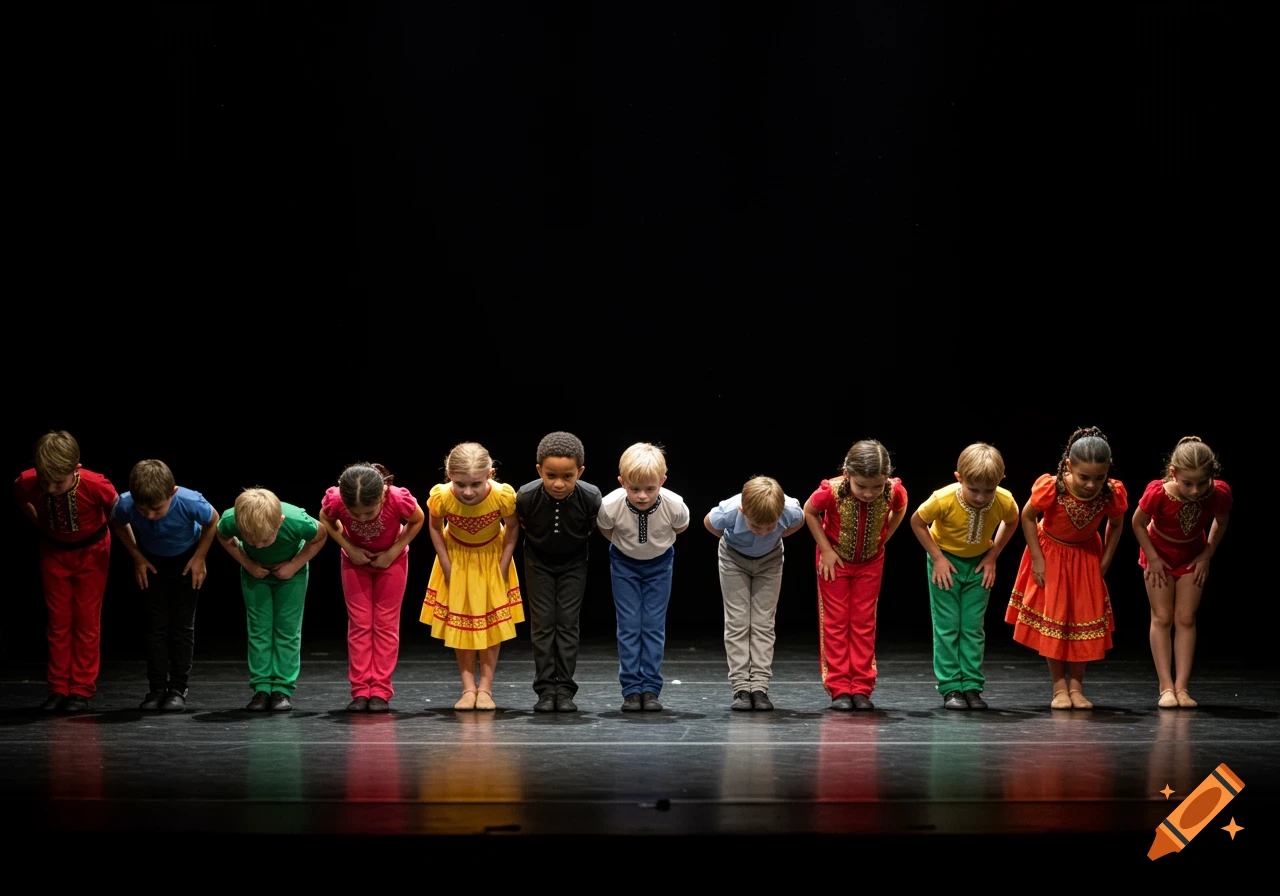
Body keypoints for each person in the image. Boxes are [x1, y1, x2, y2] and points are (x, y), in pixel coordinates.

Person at [1004, 426, 1128, 710]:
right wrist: (1037, 558)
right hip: (1053, 556)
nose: (1091, 485)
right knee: (1057, 619)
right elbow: (1027, 516)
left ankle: (1077, 686)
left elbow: (1117, 523)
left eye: (1099, 477)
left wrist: (1105, 560)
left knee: (1082, 618)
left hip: (1085, 558)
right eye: (1084, 477)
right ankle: (1059, 685)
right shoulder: (1053, 487)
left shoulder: (1111, 492)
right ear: (1069, 466)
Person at [908, 443, 1019, 711]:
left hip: (979, 564)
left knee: (972, 626)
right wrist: (937, 558)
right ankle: (950, 687)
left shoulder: (1004, 500)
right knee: (947, 626)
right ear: (959, 478)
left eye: (988, 490)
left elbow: (1012, 520)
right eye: (974, 489)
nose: (981, 497)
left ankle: (971, 685)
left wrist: (993, 556)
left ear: (1000, 480)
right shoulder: (943, 498)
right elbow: (917, 522)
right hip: (947, 563)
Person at [13, 430, 118, 712]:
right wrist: (40, 524)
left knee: (86, 620)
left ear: (76, 469)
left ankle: (81, 689)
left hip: (92, 554)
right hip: (54, 553)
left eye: (57, 482)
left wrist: (134, 552)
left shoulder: (96, 484)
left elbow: (118, 514)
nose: (49, 488)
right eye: (45, 481)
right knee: (58, 622)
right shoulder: (28, 481)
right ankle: (58, 687)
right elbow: (22, 499)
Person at [803, 439, 908, 711]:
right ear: (847, 474)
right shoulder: (832, 490)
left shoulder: (893, 490)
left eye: (876, 486)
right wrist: (826, 550)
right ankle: (839, 687)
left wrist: (884, 538)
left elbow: (900, 508)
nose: (869, 493)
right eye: (861, 486)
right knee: (836, 622)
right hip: (834, 562)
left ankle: (861, 686)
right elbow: (810, 512)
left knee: (863, 622)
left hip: (870, 563)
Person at [419, 442, 523, 711]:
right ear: (449, 475)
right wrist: (445, 563)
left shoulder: (502, 495)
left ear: (490, 474)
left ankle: (485, 688)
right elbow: (435, 526)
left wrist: (503, 563)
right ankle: (468, 688)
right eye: (460, 484)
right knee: (462, 624)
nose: (467, 492)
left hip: (490, 560)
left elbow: (512, 528)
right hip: (458, 560)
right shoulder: (441, 496)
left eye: (476, 484)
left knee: (490, 627)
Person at [1130, 436, 1232, 709]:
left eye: (1202, 482)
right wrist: (1152, 558)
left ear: (1211, 476)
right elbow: (1137, 523)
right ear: (1173, 473)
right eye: (1188, 483)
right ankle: (1166, 686)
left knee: (1186, 618)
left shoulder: (1218, 493)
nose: (1196, 491)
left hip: (1192, 555)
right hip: (1159, 554)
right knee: (1162, 617)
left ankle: (1182, 687)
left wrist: (1207, 554)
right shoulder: (1158, 492)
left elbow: (1221, 522)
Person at [111, 459, 219, 712]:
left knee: (182, 627)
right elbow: (118, 522)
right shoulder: (126, 503)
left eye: (157, 509)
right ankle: (157, 688)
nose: (150, 515)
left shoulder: (190, 501)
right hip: (152, 562)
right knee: (155, 627)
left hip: (186, 560)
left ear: (173, 492)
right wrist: (137, 557)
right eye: (143, 510)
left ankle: (178, 689)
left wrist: (200, 557)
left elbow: (212, 520)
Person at [319, 463, 425, 713]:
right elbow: (325, 517)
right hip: (355, 563)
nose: (363, 518)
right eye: (355, 514)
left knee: (386, 624)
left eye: (369, 512)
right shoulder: (336, 499)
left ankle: (380, 690)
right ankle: (360, 690)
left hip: (391, 562)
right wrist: (349, 547)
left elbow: (417, 519)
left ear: (382, 495)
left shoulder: (396, 498)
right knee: (360, 623)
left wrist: (393, 552)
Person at [597, 442, 691, 712]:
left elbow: (680, 527)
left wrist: (654, 547)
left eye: (650, 489)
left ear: (662, 481)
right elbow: (606, 529)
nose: (641, 496)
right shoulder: (610, 504)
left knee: (652, 625)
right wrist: (627, 548)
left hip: (659, 565)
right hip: (624, 565)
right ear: (622, 483)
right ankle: (630, 689)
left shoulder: (674, 504)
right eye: (634, 489)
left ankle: (650, 688)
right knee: (629, 625)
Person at [215, 487, 328, 711]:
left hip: (291, 575)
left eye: (265, 540)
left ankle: (282, 689)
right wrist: (248, 564)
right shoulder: (232, 519)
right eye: (251, 541)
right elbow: (222, 535)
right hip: (255, 574)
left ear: (280, 521)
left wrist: (293, 566)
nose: (258, 545)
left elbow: (320, 536)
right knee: (259, 628)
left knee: (287, 629)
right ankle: (261, 688)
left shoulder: (296, 520)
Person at [516, 432, 602, 713]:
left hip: (574, 563)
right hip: (537, 562)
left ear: (580, 472)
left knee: (566, 623)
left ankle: (564, 689)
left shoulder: (590, 497)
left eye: (568, 476)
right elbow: (522, 525)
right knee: (543, 623)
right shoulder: (526, 496)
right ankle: (544, 689)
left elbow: (592, 527)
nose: (558, 484)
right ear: (539, 470)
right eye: (551, 475)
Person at [703, 475, 805, 711]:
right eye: (756, 526)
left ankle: (759, 687)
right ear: (742, 510)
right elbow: (710, 523)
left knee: (763, 622)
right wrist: (735, 542)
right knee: (738, 621)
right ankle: (741, 687)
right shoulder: (729, 510)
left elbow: (799, 522)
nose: (763, 532)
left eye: (770, 526)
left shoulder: (790, 510)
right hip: (733, 559)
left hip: (770, 560)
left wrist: (777, 535)